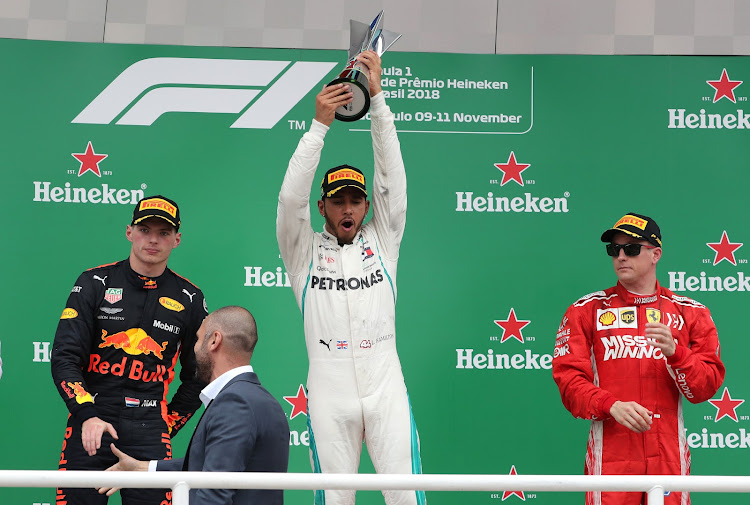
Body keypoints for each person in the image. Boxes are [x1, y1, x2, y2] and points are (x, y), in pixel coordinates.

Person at [277, 50, 425, 505]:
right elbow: (289, 199)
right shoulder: (303, 249)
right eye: (337, 201)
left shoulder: (383, 239)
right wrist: (319, 126)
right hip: (328, 385)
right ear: (323, 207)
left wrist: (376, 100)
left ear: (366, 207)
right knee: (335, 499)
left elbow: (391, 177)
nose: (347, 209)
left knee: (404, 495)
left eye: (355, 201)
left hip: (385, 382)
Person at [552, 213, 725, 505]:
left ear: (655, 254)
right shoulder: (585, 310)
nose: (621, 256)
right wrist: (611, 405)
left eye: (631, 249)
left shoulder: (691, 312)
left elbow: (705, 388)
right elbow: (569, 383)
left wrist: (677, 353)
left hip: (668, 457)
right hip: (612, 458)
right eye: (614, 249)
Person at [51, 195, 208, 505]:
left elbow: (199, 375)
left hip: (150, 425)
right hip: (92, 421)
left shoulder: (189, 297)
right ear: (129, 232)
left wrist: (167, 422)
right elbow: (65, 358)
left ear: (176, 240)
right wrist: (87, 414)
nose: (153, 239)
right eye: (145, 229)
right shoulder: (94, 282)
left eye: (163, 233)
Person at [97, 306, 290, 505]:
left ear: (214, 340)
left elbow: (214, 493)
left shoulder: (235, 403)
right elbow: (213, 467)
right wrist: (141, 468)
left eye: (198, 339)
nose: (195, 348)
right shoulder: (262, 400)